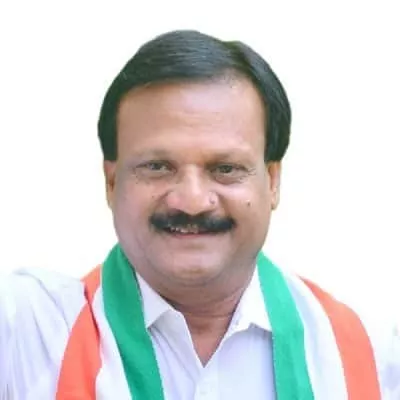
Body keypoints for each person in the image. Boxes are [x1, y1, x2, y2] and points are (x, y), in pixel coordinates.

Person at [0, 29, 399, 400]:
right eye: (158, 166)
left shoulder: (369, 351)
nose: (192, 201)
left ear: (273, 182)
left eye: (225, 168)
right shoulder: (27, 333)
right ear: (111, 182)